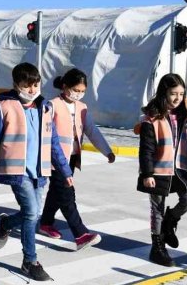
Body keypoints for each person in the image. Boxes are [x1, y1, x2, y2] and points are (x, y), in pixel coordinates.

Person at [0, 62, 71, 282]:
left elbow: (54, 143)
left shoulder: (45, 107)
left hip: (40, 172)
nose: (32, 90)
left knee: (33, 214)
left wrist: (65, 170)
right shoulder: (5, 107)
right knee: (31, 213)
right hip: (17, 171)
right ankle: (30, 261)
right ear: (16, 85)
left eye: (35, 84)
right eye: (26, 85)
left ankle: (6, 224)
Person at [38, 68, 115, 250]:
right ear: (65, 86)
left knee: (57, 193)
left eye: (82, 91)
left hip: (72, 158)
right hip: (55, 159)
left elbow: (91, 130)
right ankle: (80, 234)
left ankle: (45, 223)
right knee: (67, 195)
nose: (78, 94)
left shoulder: (82, 108)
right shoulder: (52, 105)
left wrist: (107, 151)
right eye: (75, 90)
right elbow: (46, 134)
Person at [135, 73, 187, 267]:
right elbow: (146, 149)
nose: (178, 98)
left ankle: (170, 223)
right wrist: (147, 174)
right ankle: (158, 247)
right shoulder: (150, 118)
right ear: (164, 93)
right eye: (173, 93)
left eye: (181, 93)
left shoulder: (183, 118)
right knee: (157, 210)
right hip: (157, 172)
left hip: (178, 170)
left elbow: (186, 147)